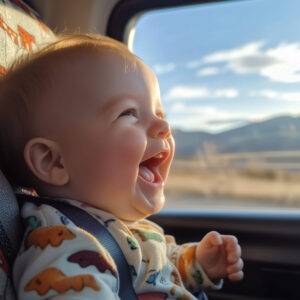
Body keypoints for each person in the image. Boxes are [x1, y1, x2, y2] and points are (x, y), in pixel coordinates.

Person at [0, 34, 243, 299]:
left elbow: (160, 271)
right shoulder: (65, 243)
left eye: (160, 114)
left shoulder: (130, 227)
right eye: (128, 113)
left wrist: (198, 263)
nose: (164, 127)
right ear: (53, 162)